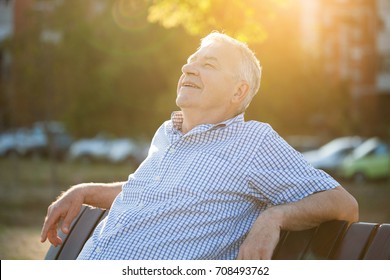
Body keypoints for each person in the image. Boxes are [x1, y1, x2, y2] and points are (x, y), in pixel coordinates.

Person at [40, 31, 358, 260]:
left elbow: (343, 204)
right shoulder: (167, 133)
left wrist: (273, 218)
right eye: (191, 62)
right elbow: (149, 191)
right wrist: (84, 191)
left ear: (238, 92)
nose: (188, 68)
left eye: (208, 64)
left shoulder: (252, 141)